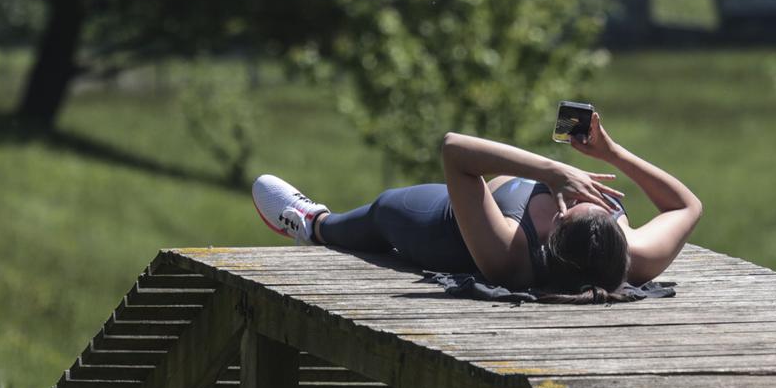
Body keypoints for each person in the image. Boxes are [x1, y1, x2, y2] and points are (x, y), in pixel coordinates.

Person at [252, 111, 702, 293]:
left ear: (558, 227)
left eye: (577, 202)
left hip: (453, 230)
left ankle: (314, 224)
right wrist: (610, 153)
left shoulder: (511, 256)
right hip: (507, 197)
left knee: (388, 212)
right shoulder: (634, 256)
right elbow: (686, 207)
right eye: (607, 206)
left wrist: (552, 172)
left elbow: (454, 150)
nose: (586, 195)